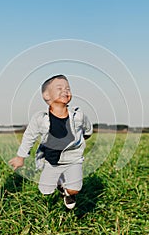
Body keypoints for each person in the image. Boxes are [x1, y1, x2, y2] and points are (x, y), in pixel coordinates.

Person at [9, 74, 93, 209]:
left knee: (75, 189)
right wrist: (21, 157)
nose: (65, 91)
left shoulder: (78, 116)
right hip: (51, 160)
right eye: (59, 88)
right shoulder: (40, 119)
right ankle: (60, 183)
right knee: (45, 190)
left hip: (73, 159)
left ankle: (68, 192)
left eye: (68, 88)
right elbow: (29, 136)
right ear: (46, 96)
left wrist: (84, 137)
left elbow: (88, 129)